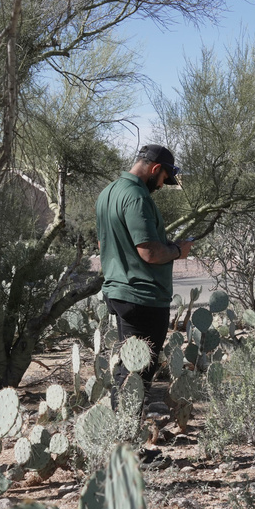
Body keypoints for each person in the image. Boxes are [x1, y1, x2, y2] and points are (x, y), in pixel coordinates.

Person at [95, 144, 195, 389]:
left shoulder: (108, 193)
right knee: (136, 376)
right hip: (143, 298)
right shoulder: (137, 196)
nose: (161, 185)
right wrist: (178, 251)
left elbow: (103, 243)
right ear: (156, 168)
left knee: (130, 370)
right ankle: (124, 425)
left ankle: (124, 424)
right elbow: (148, 253)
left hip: (120, 294)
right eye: (163, 178)